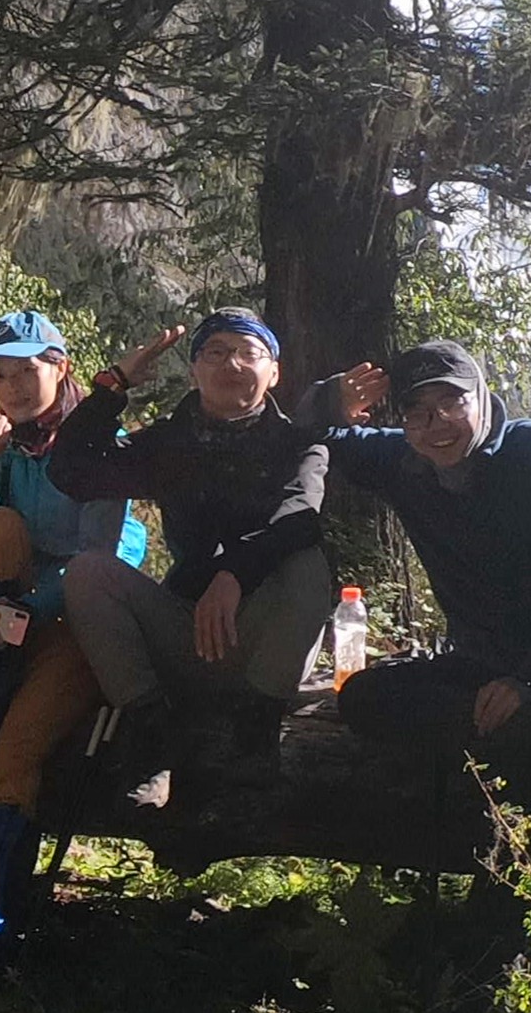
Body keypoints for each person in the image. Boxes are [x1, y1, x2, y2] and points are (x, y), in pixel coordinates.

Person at [0, 309, 149, 979]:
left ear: (60, 366)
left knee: (15, 752)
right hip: (13, 611)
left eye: (27, 369)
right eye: (0, 374)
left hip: (80, 620)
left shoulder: (100, 442)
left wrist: (29, 607)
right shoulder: (9, 441)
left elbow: (101, 553)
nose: (13, 386)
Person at [304, 339, 531, 804]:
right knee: (363, 697)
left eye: (452, 402)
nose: (437, 423)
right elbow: (312, 434)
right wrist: (332, 399)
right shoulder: (403, 461)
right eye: (419, 411)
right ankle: (518, 749)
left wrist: (529, 679)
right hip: (480, 665)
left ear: (481, 397)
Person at [48, 308, 334, 794]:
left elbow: (298, 519)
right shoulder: (169, 444)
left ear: (274, 371)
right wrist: (113, 386)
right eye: (216, 352)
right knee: (87, 572)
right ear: (195, 369)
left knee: (308, 562)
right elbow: (73, 473)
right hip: (185, 633)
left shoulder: (298, 445)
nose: (233, 364)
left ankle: (256, 731)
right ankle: (151, 728)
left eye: (249, 352)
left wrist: (233, 574)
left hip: (267, 646)